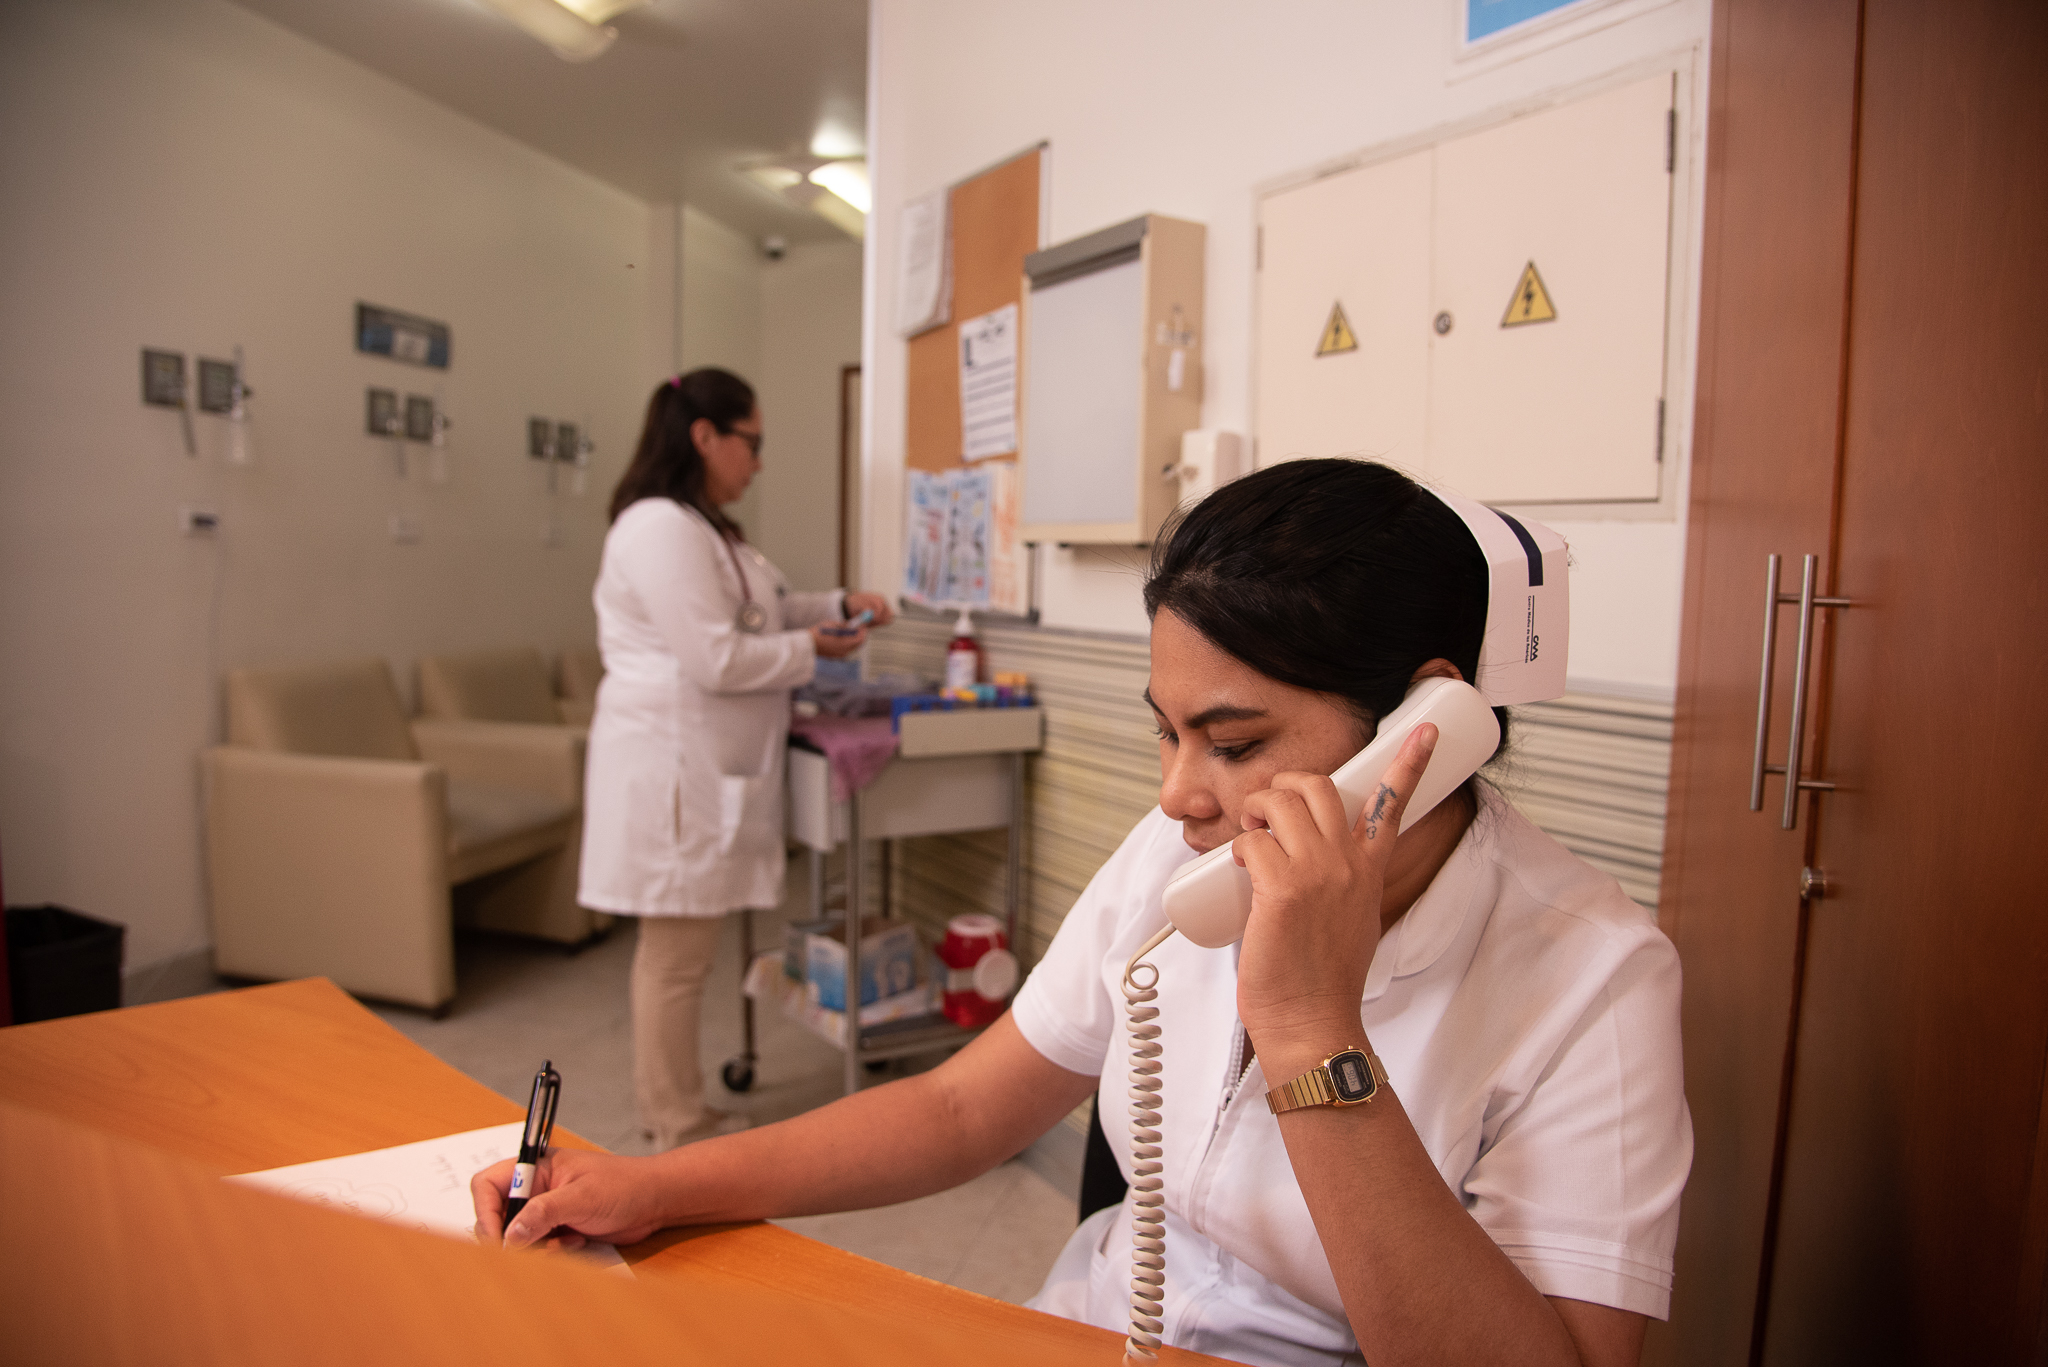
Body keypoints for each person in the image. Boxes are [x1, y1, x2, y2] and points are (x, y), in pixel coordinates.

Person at [479, 458, 1690, 1367]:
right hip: (1087, 1329)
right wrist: (658, 1184)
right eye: (1166, 733)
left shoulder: (1594, 975)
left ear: (1418, 737)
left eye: (1232, 742)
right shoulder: (1180, 850)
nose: (1176, 795)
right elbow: (963, 1105)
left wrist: (1312, 1031)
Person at [577, 368, 894, 1151]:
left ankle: (673, 1110)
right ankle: (676, 1123)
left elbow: (761, 613)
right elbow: (717, 657)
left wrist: (833, 606)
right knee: (675, 960)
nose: (758, 461)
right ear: (704, 436)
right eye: (750, 443)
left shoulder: (705, 528)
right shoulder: (658, 527)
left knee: (680, 956)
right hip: (672, 769)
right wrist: (813, 648)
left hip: (702, 765)